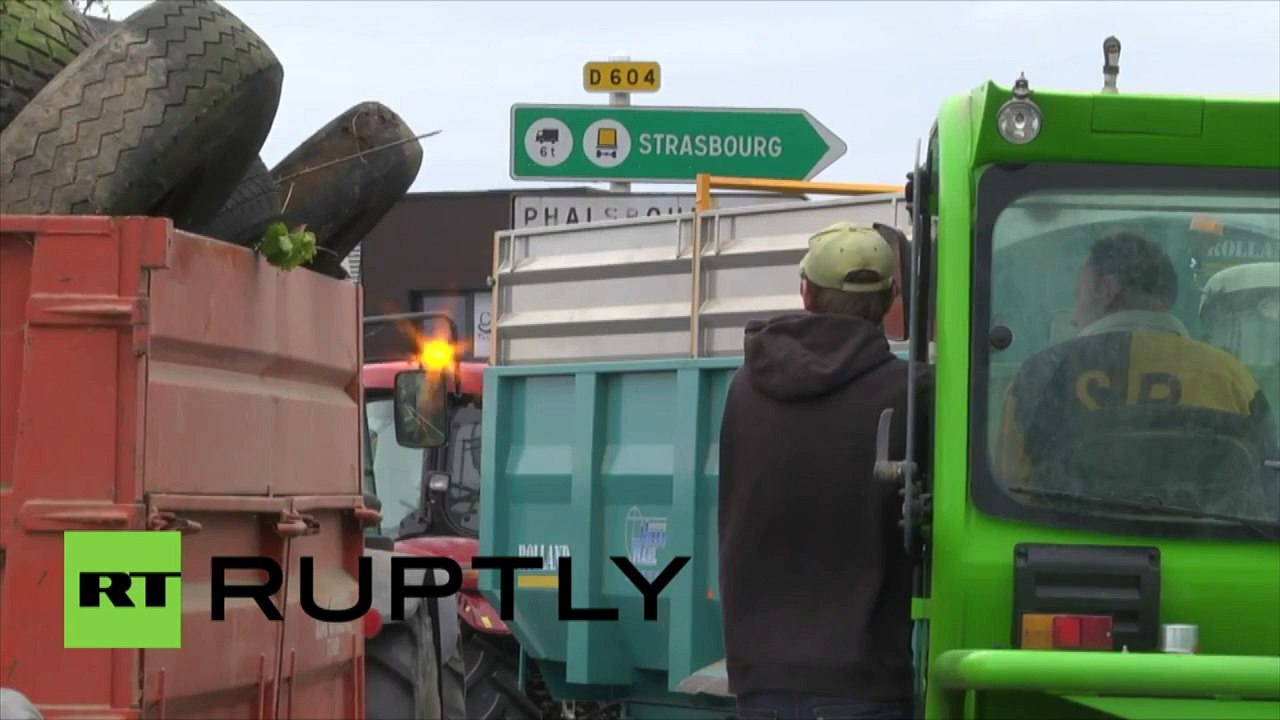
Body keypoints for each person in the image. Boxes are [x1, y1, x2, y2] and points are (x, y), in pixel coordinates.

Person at [717, 222, 932, 720]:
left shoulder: (745, 388)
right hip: (865, 681)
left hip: (759, 679)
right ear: (891, 299)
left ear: (806, 293)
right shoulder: (915, 394)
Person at [994, 231, 1277, 513]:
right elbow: (1268, 490)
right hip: (1212, 544)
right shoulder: (1231, 378)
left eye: (1077, 296)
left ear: (1103, 289)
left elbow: (1011, 491)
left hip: (1068, 550)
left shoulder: (1041, 377)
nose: (1074, 314)